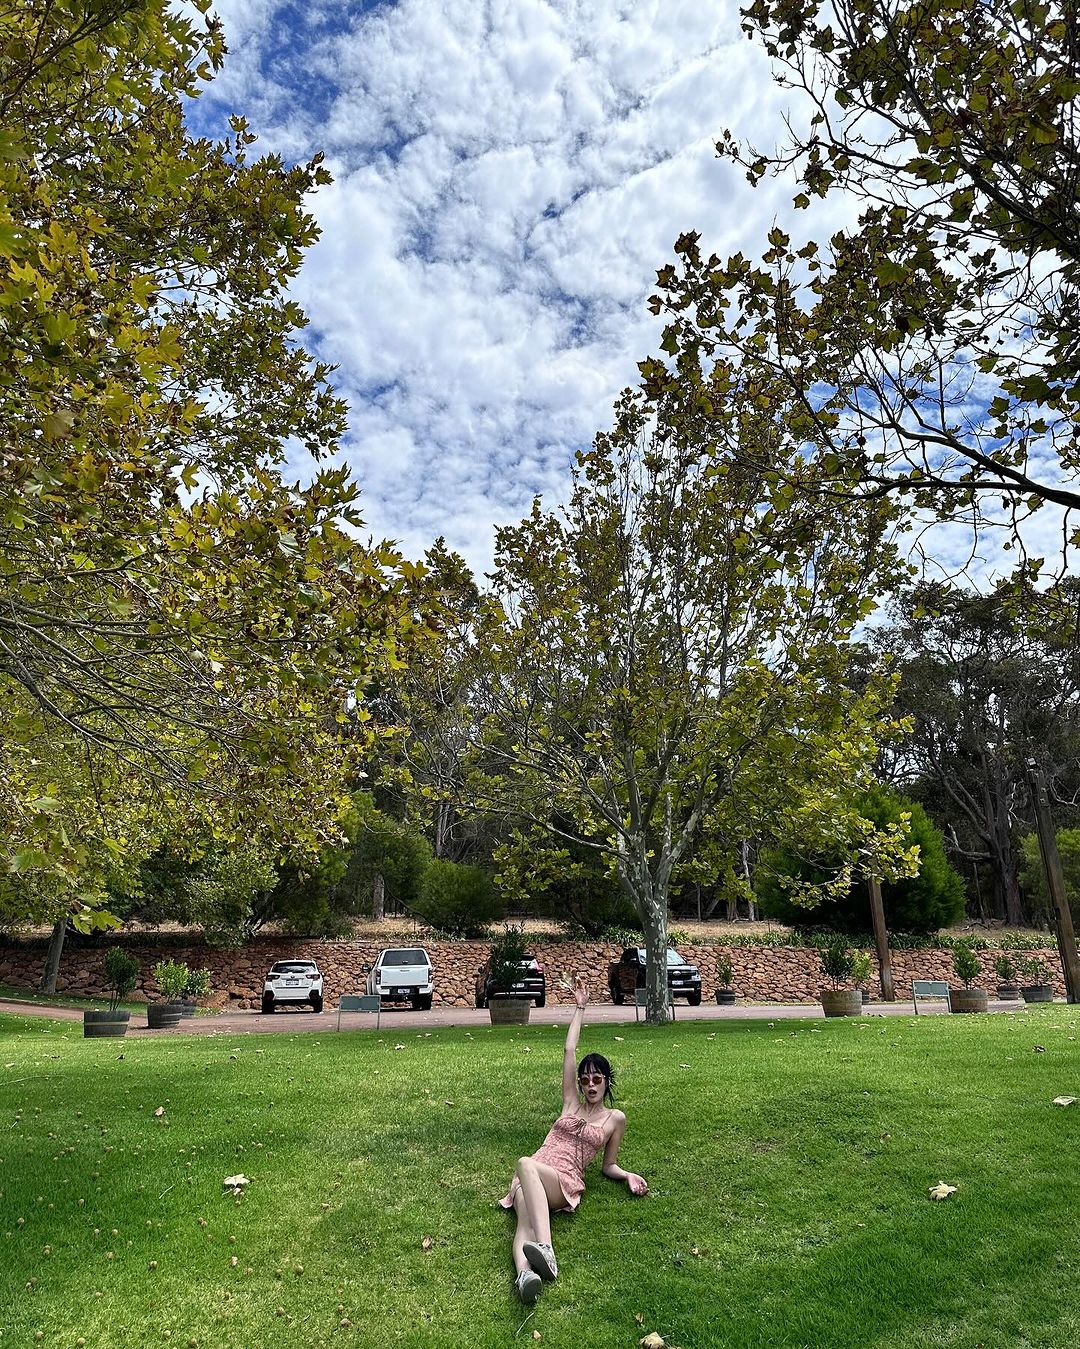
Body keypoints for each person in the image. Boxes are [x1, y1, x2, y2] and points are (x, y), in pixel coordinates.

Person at [498, 976, 648, 1303]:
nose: (590, 1085)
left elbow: (608, 1165)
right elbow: (568, 1049)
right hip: (531, 1178)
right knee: (523, 1215)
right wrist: (580, 1007)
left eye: (597, 1079)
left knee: (526, 1162)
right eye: (585, 1080)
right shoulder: (570, 1103)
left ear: (607, 1082)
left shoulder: (614, 1118)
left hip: (561, 1180)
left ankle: (547, 1250)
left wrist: (627, 1175)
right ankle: (525, 1276)